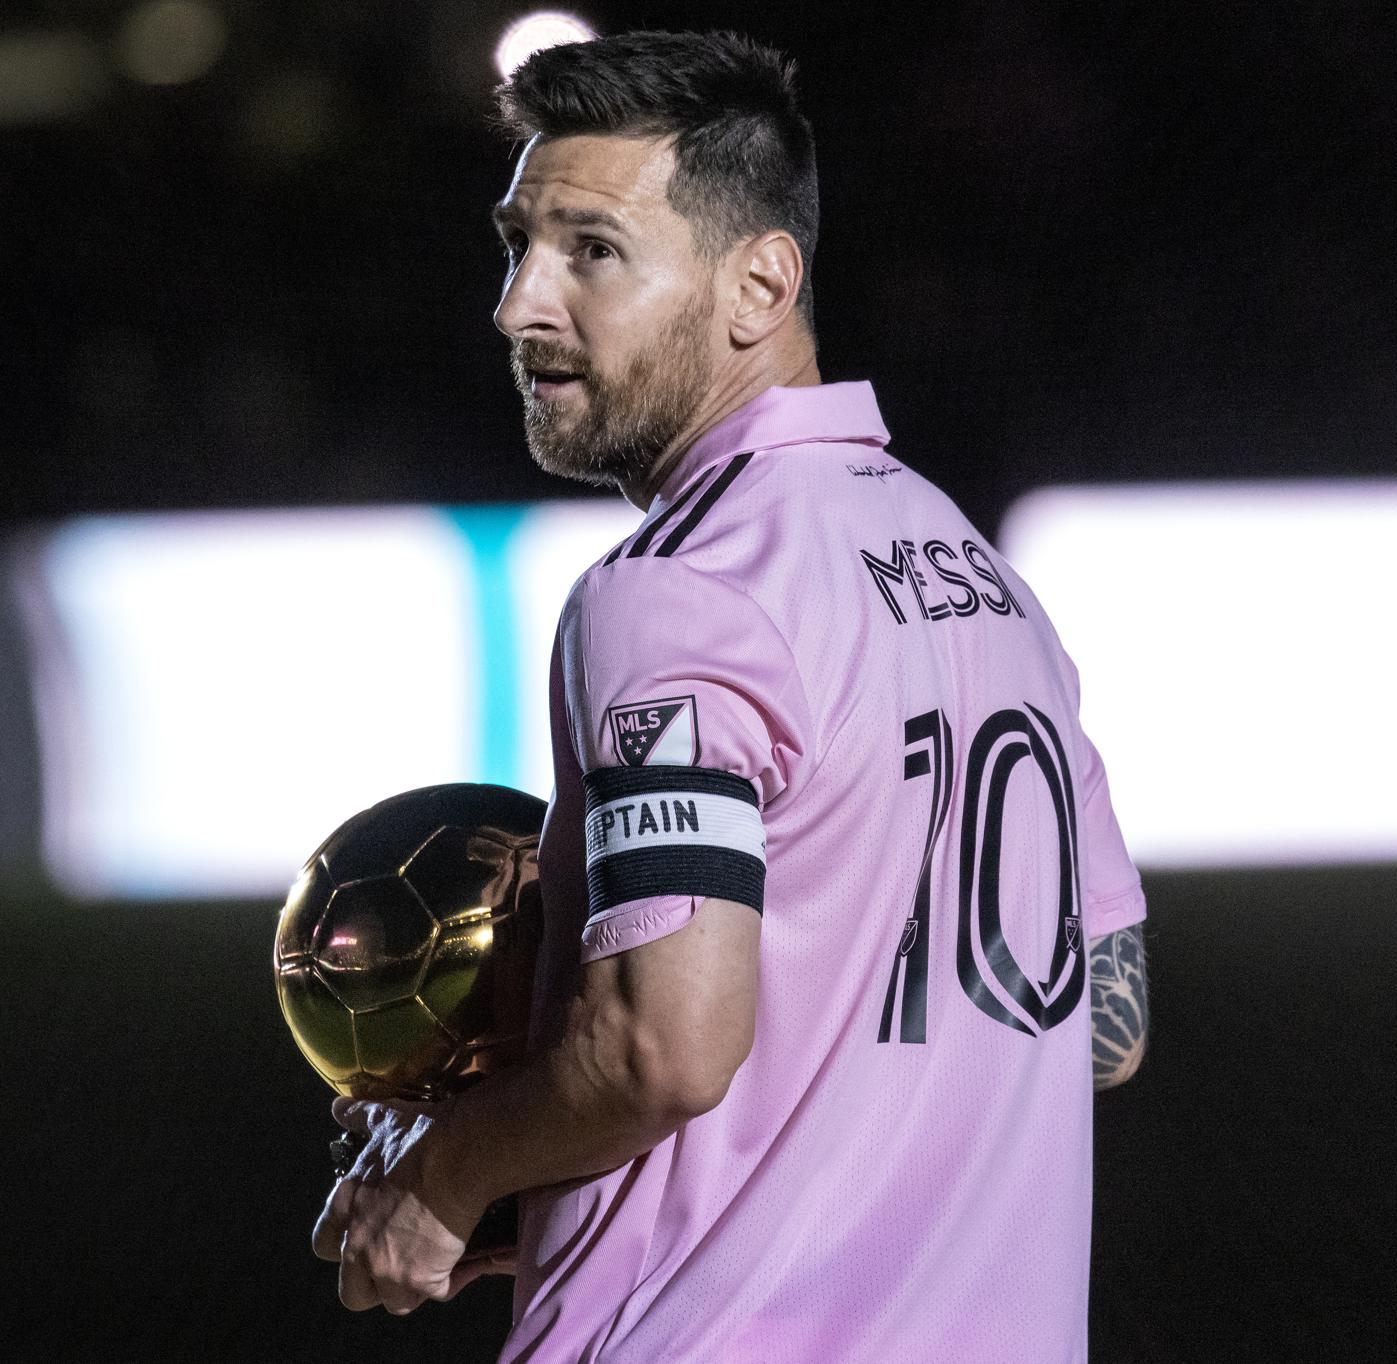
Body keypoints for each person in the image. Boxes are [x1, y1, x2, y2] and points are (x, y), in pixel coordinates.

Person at [313, 29, 1150, 1362]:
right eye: (517, 243)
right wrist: (621, 1193)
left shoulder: (677, 591)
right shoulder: (986, 587)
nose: (521, 303)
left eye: (591, 250)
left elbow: (664, 1054)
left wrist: (445, 1172)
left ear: (759, 282)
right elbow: (1104, 1021)